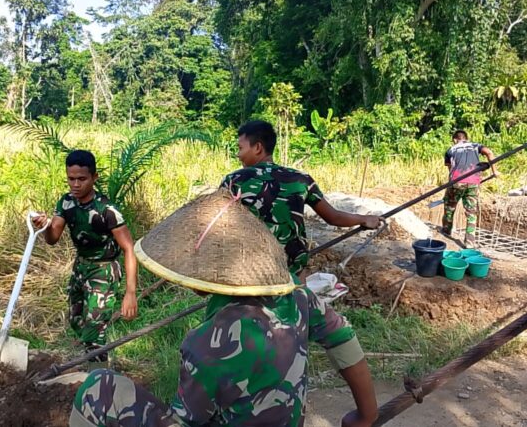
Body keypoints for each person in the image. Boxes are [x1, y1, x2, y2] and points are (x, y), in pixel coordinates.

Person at [69, 189, 378, 427]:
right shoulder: (296, 291)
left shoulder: (209, 343)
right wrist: (367, 415)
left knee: (98, 386)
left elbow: (187, 420)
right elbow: (342, 338)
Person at [221, 120, 382, 281]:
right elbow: (333, 217)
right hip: (292, 270)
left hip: (247, 268)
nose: (238, 154)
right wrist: (364, 219)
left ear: (257, 148)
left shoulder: (234, 180)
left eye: (240, 148)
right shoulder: (301, 180)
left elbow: (216, 223)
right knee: (302, 302)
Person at [32, 150, 138, 365]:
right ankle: (93, 363)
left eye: (82, 179)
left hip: (104, 270)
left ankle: (98, 380)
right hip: (81, 267)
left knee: (94, 328)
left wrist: (130, 292)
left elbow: (129, 249)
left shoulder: (106, 211)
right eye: (71, 179)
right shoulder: (67, 203)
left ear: (94, 178)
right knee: (76, 320)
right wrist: (43, 227)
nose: (76, 184)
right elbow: (53, 238)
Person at [441, 130, 499, 248]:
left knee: (449, 207)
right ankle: (470, 243)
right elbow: (489, 152)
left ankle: (446, 233)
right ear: (466, 138)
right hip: (473, 182)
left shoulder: (451, 150)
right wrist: (494, 171)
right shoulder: (475, 146)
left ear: (455, 140)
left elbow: (450, 168)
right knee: (471, 212)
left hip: (457, 182)